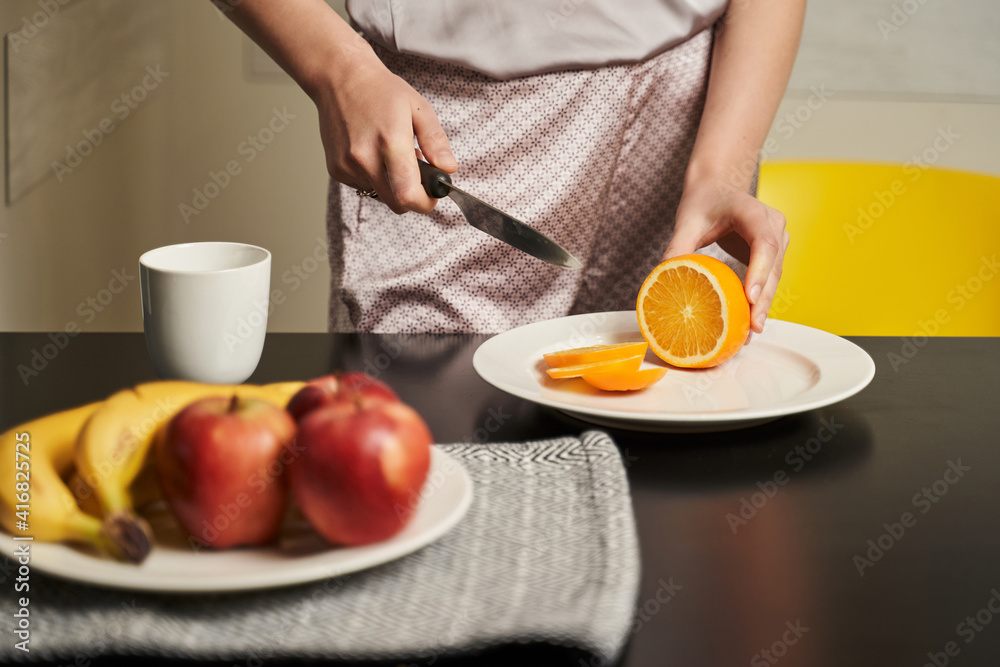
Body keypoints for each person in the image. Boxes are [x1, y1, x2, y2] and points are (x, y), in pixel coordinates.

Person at [221, 0, 804, 334]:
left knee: (668, 467)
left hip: (694, 110)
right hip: (455, 121)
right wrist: (337, 70)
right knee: (434, 465)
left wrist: (722, 171)